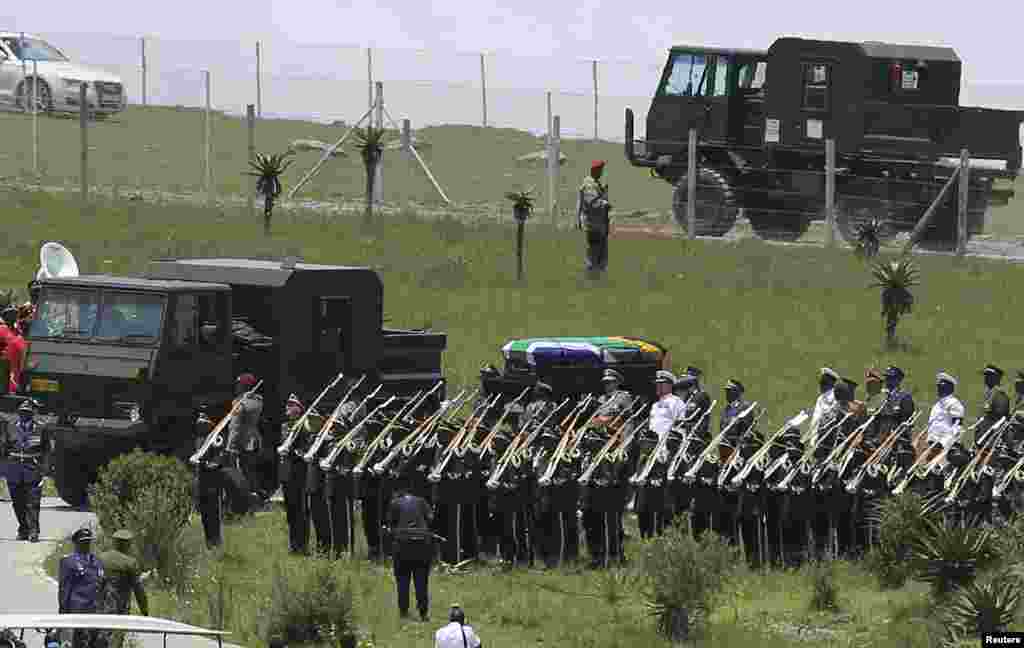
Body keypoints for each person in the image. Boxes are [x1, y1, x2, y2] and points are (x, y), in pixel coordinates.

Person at [635, 370, 687, 540]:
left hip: (666, 453)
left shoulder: (676, 402)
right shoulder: (655, 405)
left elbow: (680, 430)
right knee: (650, 495)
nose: (657, 387)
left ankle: (667, 532)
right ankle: (650, 533)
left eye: (660, 384)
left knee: (665, 496)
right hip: (651, 454)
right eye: (656, 384)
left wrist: (673, 452)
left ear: (668, 385)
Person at [386, 479, 435, 622]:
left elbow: (391, 524)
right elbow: (431, 519)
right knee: (421, 581)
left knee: (402, 580)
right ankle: (423, 613)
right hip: (421, 545)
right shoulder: (421, 502)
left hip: (402, 546)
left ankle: (403, 611)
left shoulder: (395, 503)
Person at [2, 399, 49, 541]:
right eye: (22, 413)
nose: (24, 415)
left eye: (27, 413)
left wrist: (44, 469)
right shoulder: (10, 427)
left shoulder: (41, 428)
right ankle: (23, 528)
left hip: (32, 469)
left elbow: (47, 450)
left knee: (33, 502)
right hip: (14, 470)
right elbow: (4, 448)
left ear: (32, 414)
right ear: (18, 413)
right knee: (18, 502)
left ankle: (34, 531)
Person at [97, 530, 149, 648]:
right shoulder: (130, 563)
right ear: (128, 544)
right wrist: (144, 610)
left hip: (99, 608)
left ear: (114, 542)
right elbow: (138, 590)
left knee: (100, 639)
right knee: (116, 642)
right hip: (119, 609)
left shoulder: (101, 558)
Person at [59, 528, 105, 648]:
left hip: (95, 610)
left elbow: (101, 584)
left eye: (88, 541)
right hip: (77, 610)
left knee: (95, 643)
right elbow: (64, 589)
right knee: (76, 642)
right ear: (76, 543)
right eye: (83, 542)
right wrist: (63, 612)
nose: (86, 544)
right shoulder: (68, 562)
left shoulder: (97, 561)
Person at [279, 394, 313, 554]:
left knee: (301, 510)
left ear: (298, 409)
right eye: (287, 405)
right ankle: (293, 545)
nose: (287, 408)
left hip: (299, 473)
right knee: (290, 510)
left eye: (290, 405)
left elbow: (305, 450)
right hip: (286, 473)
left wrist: (292, 450)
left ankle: (302, 545)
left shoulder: (304, 426)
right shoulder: (285, 426)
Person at [226, 373, 264, 502]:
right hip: (253, 439)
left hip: (242, 440)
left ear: (244, 386)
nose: (236, 387)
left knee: (242, 470)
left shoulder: (240, 402)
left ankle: (247, 498)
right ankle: (255, 495)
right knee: (250, 469)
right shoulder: (257, 400)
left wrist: (230, 446)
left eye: (239, 384)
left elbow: (235, 426)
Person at [577, 160, 612, 277]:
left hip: (600, 223)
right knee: (594, 252)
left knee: (601, 253)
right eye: (600, 169)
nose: (601, 172)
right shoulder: (589, 184)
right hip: (593, 224)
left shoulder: (595, 183)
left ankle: (599, 277)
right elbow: (592, 202)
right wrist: (605, 203)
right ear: (594, 170)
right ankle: (592, 276)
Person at [924, 372, 965, 465]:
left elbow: (957, 428)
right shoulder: (937, 404)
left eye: (942, 388)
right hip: (933, 445)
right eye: (938, 387)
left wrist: (942, 443)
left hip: (945, 447)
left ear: (950, 389)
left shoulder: (954, 404)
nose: (939, 390)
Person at [973, 364, 1011, 449]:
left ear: (996, 378)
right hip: (983, 437)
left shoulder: (1000, 395)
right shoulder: (988, 393)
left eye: (989, 376)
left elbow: (1001, 416)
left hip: (992, 441)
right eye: (985, 376)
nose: (986, 378)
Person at [804, 368, 839, 446]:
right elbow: (815, 418)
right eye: (821, 383)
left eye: (823, 383)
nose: (821, 386)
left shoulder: (836, 396)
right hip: (818, 435)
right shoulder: (820, 398)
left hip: (827, 436)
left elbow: (832, 417)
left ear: (831, 383)